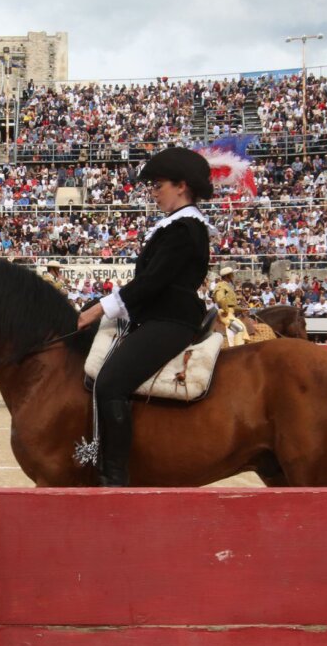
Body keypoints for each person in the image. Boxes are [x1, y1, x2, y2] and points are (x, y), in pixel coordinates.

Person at [76, 147, 213, 487]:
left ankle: (115, 475)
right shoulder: (178, 225)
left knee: (110, 383)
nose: (153, 192)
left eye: (157, 185)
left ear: (181, 186)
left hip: (171, 320)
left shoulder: (185, 228)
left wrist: (98, 308)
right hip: (159, 316)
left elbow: (152, 283)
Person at [214, 267, 248, 345]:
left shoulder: (227, 286)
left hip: (230, 312)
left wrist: (241, 309)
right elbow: (220, 299)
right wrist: (226, 310)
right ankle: (236, 348)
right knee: (239, 328)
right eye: (231, 274)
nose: (233, 276)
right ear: (227, 276)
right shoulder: (221, 285)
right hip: (225, 313)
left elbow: (231, 304)